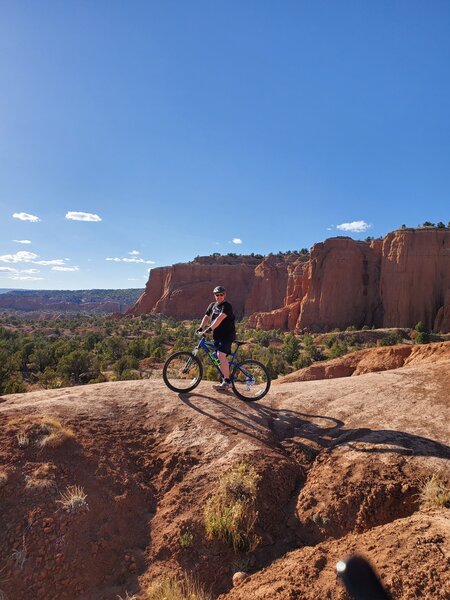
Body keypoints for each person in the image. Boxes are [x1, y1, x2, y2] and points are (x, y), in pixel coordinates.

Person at [197, 285, 236, 390]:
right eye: (217, 295)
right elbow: (206, 316)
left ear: (224, 295)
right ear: (214, 295)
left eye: (221, 295)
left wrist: (209, 329)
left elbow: (219, 319)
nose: (219, 296)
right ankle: (224, 378)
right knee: (215, 356)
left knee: (221, 355)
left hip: (227, 336)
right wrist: (201, 328)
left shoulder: (227, 306)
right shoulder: (212, 305)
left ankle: (227, 381)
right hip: (217, 336)